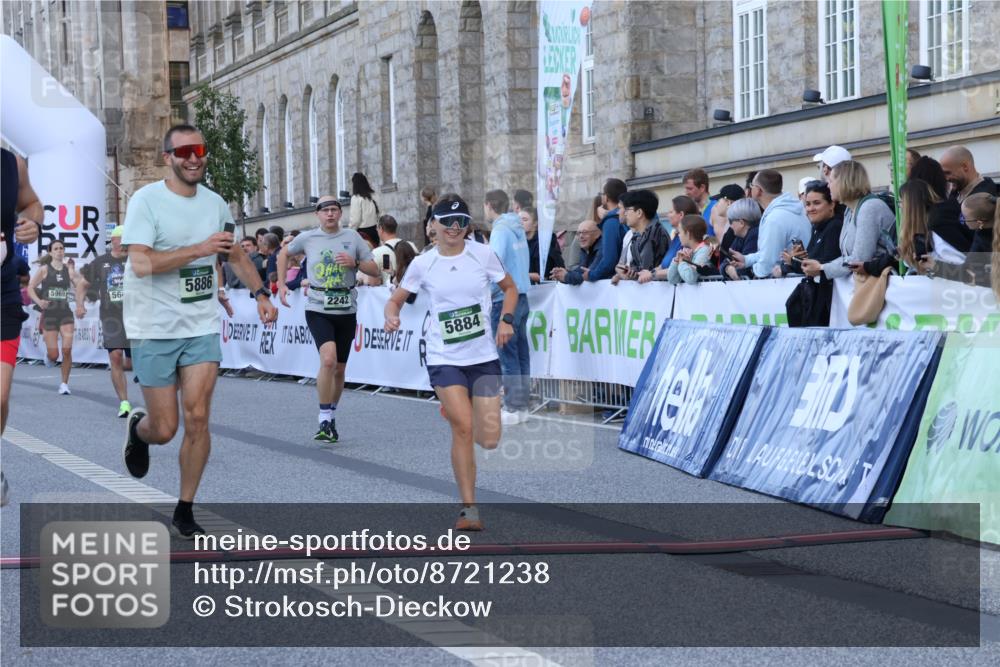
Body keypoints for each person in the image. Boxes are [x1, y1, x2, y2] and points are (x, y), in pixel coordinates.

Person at [121, 123, 277, 539]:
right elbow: (141, 264)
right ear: (167, 158)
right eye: (184, 151)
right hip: (153, 325)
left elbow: (234, 255)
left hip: (200, 324)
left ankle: (185, 508)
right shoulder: (146, 201)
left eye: (200, 151)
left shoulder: (215, 203)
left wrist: (261, 293)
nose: (193, 158)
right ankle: (140, 431)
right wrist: (198, 250)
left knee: (198, 416)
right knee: (165, 428)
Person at [384, 197, 518, 531]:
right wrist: (391, 315)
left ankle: (459, 408)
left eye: (461, 222)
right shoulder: (423, 263)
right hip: (444, 357)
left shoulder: (482, 254)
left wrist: (506, 320)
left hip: (483, 356)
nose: (454, 228)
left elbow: (510, 289)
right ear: (434, 225)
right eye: (447, 222)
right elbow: (395, 300)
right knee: (463, 428)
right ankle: (469, 510)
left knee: (489, 439)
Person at [278, 196, 379, 442]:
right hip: (318, 306)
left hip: (346, 308)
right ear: (318, 214)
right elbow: (283, 254)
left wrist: (355, 263)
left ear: (340, 213)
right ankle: (323, 418)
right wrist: (281, 284)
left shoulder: (353, 237)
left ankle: (331, 415)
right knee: (328, 360)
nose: (330, 214)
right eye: (326, 211)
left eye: (334, 210)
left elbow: (375, 270)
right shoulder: (308, 238)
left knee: (340, 368)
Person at [1, 147, 43, 506]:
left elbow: (32, 204)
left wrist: (33, 223)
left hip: (2, 295)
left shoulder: (11, 164)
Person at [483, 190, 532, 425]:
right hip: (521, 294)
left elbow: (494, 264)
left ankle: (513, 406)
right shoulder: (517, 228)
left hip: (505, 297)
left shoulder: (500, 230)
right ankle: (521, 406)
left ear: (489, 205)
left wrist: (488, 290)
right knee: (521, 354)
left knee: (507, 354)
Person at [801, 160, 895, 281]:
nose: (828, 186)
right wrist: (821, 267)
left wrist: (822, 268)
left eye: (831, 181)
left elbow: (859, 258)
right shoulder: (849, 210)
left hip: (882, 282)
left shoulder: (869, 207)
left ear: (844, 182)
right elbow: (847, 256)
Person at [74, 225, 134, 417]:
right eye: (121, 238)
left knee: (133, 363)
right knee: (115, 356)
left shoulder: (136, 259)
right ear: (113, 240)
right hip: (111, 317)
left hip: (136, 316)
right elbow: (82, 285)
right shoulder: (101, 262)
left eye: (128, 238)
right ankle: (124, 403)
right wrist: (80, 305)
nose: (124, 242)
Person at [731, 169, 811, 278]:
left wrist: (751, 271)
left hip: (789, 283)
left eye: (751, 185)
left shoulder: (774, 218)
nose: (750, 188)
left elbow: (767, 266)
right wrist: (747, 260)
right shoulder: (794, 207)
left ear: (758, 190)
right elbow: (770, 252)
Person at [27, 241, 83, 394]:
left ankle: (64, 384)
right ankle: (49, 356)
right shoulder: (44, 269)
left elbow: (80, 286)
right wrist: (39, 301)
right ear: (50, 252)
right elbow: (30, 287)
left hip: (65, 313)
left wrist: (73, 272)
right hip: (50, 315)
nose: (59, 251)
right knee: (54, 355)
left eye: (61, 248)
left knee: (67, 349)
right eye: (56, 249)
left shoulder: (68, 269)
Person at [778, 180, 843, 277]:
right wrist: (797, 257)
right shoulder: (817, 227)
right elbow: (811, 262)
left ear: (832, 204)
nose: (811, 209)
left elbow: (824, 266)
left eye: (816, 203)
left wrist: (792, 261)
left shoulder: (835, 226)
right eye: (808, 204)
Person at [616, 190, 670, 284]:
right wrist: (626, 271)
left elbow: (645, 271)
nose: (625, 213)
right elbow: (638, 268)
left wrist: (629, 273)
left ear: (639, 213)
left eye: (628, 210)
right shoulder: (638, 235)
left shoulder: (652, 234)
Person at [519, 206, 564, 283]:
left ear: (535, 223)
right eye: (518, 220)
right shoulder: (522, 242)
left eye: (525, 220)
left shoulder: (543, 244)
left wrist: (518, 274)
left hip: (549, 287)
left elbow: (544, 276)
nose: (520, 223)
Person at [720, 198, 762, 281]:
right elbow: (724, 262)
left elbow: (744, 268)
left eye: (731, 221)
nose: (730, 226)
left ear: (742, 223)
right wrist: (727, 268)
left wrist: (731, 269)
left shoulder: (755, 235)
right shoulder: (740, 237)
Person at [665, 215, 713, 285]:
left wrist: (682, 262)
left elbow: (691, 278)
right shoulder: (689, 252)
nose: (678, 235)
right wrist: (676, 261)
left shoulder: (704, 251)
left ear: (688, 234)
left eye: (679, 232)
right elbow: (672, 279)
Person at [371, 214, 418, 285]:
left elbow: (372, 281)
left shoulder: (376, 252)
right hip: (410, 288)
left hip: (389, 290)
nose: (377, 230)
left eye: (377, 228)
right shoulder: (411, 245)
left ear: (381, 229)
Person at [550, 220, 601, 285]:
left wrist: (566, 276)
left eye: (585, 232)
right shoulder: (586, 249)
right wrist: (564, 273)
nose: (581, 236)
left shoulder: (602, 249)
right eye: (579, 233)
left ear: (597, 234)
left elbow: (587, 275)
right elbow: (580, 271)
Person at [660, 195, 701, 268]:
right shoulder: (676, 236)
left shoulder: (688, 239)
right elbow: (664, 265)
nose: (667, 215)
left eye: (671, 212)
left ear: (681, 214)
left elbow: (679, 269)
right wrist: (652, 271)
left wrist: (653, 273)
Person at [350, 172, 380, 246]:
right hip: (375, 231)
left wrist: (350, 231)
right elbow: (380, 214)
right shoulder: (375, 195)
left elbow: (355, 220)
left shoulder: (356, 198)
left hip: (363, 233)